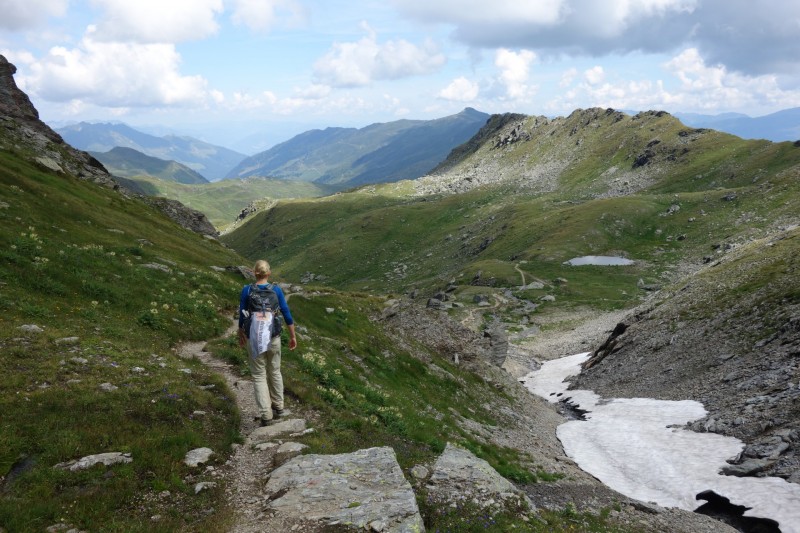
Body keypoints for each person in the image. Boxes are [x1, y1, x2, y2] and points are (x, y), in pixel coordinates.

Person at [238, 260, 297, 426]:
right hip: (273, 337)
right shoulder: (276, 290)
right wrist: (293, 336)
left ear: (254, 273)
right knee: (275, 370)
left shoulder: (247, 290)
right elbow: (286, 313)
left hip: (254, 337)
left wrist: (240, 332)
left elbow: (242, 314)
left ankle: (266, 416)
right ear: (268, 273)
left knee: (258, 375)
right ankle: (278, 407)